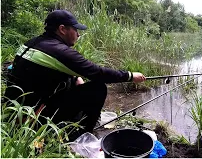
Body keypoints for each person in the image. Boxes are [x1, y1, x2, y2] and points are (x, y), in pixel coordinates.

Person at [4, 9, 146, 140]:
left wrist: (76, 77)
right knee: (98, 88)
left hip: (16, 110)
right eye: (75, 29)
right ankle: (81, 136)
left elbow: (50, 70)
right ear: (62, 29)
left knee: (74, 80)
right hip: (34, 118)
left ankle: (68, 124)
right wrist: (130, 76)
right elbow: (97, 73)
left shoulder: (33, 43)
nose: (78, 34)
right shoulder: (60, 51)